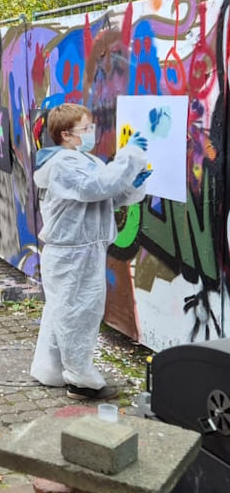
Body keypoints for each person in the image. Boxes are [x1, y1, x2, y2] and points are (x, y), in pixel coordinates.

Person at [30, 103, 152, 400]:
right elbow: (96, 187)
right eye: (85, 129)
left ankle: (49, 369)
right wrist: (129, 155)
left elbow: (104, 198)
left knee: (61, 312)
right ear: (66, 135)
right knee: (77, 315)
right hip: (73, 254)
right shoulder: (63, 164)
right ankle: (81, 381)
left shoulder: (80, 160)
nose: (91, 133)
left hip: (78, 251)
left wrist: (131, 185)